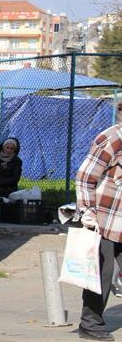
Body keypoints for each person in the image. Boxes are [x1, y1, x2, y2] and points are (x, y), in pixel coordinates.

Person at [75, 122, 122, 341]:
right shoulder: (112, 139)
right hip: (106, 220)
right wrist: (87, 212)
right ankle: (90, 324)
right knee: (101, 273)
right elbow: (85, 177)